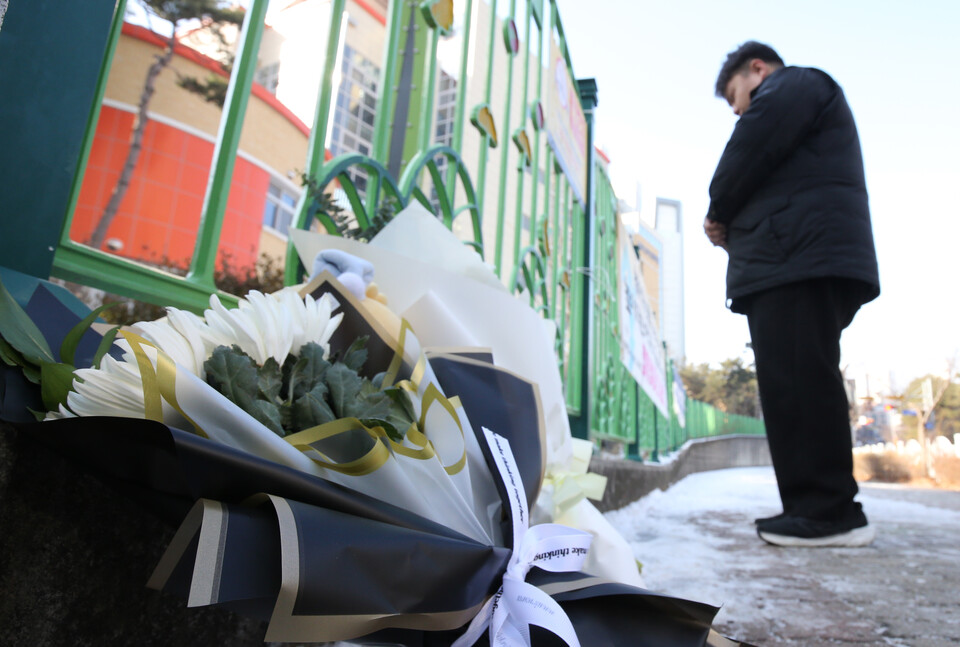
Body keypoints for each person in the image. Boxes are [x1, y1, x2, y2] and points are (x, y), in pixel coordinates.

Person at [704, 41, 880, 547]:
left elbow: (751, 146)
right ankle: (812, 508)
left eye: (738, 98)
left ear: (757, 69)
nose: (739, 111)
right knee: (792, 382)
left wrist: (718, 210)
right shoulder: (795, 98)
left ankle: (829, 513)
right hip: (794, 258)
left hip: (799, 260)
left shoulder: (795, 84)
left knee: (800, 379)